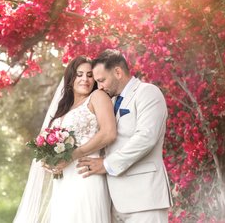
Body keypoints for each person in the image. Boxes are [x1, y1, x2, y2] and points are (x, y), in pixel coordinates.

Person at [14, 56, 117, 223]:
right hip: (63, 181)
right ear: (70, 79)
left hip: (86, 176)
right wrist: (49, 159)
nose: (85, 79)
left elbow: (109, 133)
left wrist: (72, 155)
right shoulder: (65, 108)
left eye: (90, 75)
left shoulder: (98, 97)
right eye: (80, 74)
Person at [77, 49, 173, 223]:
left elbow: (146, 137)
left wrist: (106, 164)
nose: (100, 87)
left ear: (118, 72)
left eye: (102, 80)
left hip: (145, 198)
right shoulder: (111, 102)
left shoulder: (147, 92)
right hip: (115, 201)